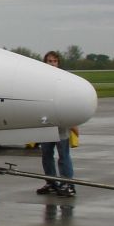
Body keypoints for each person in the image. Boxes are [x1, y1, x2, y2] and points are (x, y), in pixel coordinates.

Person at [37, 51, 77, 197]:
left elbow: (71, 102)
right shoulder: (40, 80)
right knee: (46, 155)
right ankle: (51, 183)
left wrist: (74, 123)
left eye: (54, 61)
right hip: (46, 123)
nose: (52, 63)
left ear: (58, 63)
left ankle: (68, 184)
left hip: (62, 123)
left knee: (63, 156)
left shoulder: (65, 79)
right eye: (49, 61)